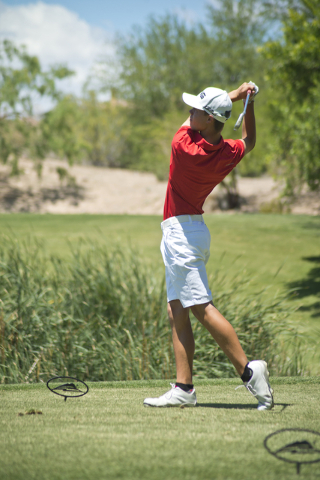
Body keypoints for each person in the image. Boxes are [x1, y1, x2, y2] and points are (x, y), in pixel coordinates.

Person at [143, 81, 274, 411]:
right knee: (177, 311)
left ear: (209, 119)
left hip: (181, 236)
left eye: (197, 110)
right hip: (191, 231)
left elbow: (195, 122)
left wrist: (235, 95)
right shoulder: (227, 151)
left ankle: (248, 371)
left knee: (200, 307)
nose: (191, 112)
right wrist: (248, 103)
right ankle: (184, 388)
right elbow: (250, 141)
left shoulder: (183, 145)